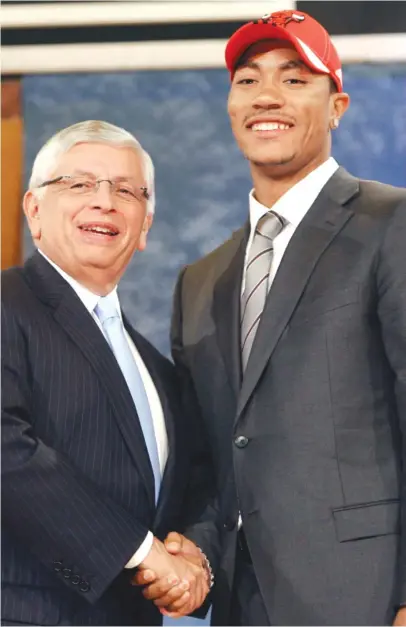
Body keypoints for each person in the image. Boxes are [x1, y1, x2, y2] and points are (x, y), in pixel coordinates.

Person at [134, 9, 406, 626]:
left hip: (366, 598)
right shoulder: (200, 280)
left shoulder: (392, 224)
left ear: (337, 104)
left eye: (294, 77)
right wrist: (196, 548)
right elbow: (211, 454)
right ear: (230, 107)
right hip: (241, 602)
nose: (267, 97)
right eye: (249, 80)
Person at [1, 120, 211, 626]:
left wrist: (195, 556)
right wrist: (141, 552)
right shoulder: (7, 304)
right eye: (79, 184)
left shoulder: (154, 369)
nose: (104, 201)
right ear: (34, 210)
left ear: (144, 228)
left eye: (126, 190)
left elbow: (192, 482)